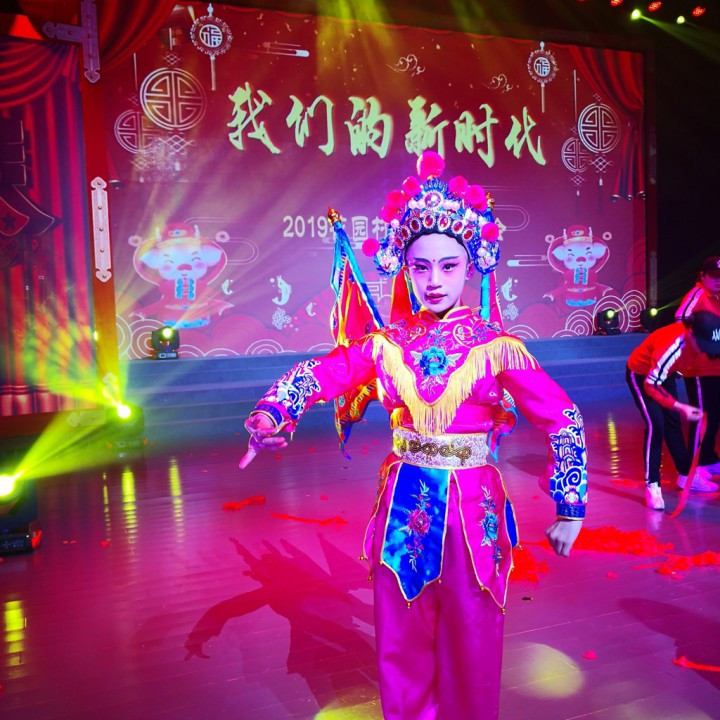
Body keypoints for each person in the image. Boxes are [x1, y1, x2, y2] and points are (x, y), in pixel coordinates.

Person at [239, 152, 587, 720]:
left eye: (448, 266)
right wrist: (271, 414)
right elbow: (322, 373)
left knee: (474, 640)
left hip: (474, 511)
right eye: (420, 267)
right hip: (406, 506)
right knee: (401, 641)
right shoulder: (387, 344)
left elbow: (563, 417)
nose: (434, 281)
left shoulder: (497, 346)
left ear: (470, 266)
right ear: (404, 267)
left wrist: (570, 505)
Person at [627, 310, 720, 510]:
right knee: (656, 425)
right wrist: (680, 406)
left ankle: (686, 476)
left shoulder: (698, 341)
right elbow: (651, 384)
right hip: (642, 374)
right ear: (692, 334)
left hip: (664, 373)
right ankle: (652, 484)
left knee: (673, 422)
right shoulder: (673, 346)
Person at [675, 257, 720, 477]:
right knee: (702, 417)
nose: (718, 281)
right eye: (714, 276)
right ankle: (693, 470)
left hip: (715, 368)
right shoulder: (698, 294)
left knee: (715, 415)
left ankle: (707, 458)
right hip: (699, 370)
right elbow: (681, 318)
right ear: (703, 276)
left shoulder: (717, 298)